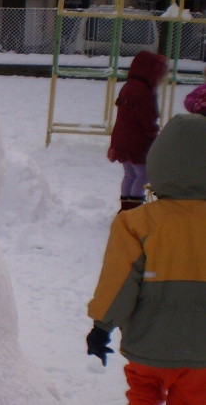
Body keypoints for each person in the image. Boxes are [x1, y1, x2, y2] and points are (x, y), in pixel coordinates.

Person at [86, 114, 206, 405]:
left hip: (147, 343)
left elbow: (119, 281)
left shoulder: (136, 224)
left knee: (141, 396)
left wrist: (102, 327)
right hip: (201, 352)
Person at [108, 51, 166, 212]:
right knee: (142, 175)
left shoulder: (129, 86)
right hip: (136, 141)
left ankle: (125, 208)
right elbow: (145, 117)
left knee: (130, 174)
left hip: (121, 137)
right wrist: (153, 132)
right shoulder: (142, 91)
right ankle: (133, 209)